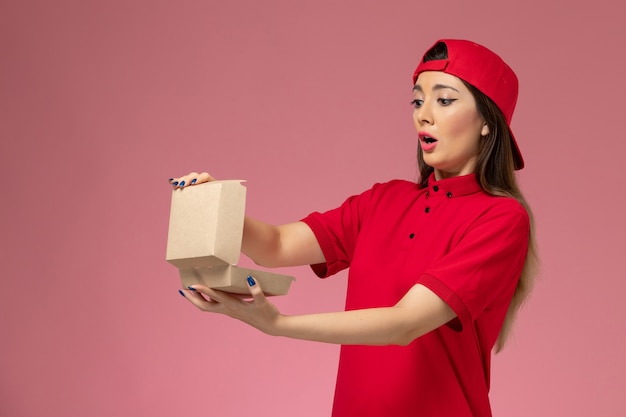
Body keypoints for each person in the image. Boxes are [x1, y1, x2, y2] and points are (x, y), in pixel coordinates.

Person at [172, 39, 539, 417]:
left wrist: (279, 324)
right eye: (417, 101)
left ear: (486, 122)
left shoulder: (501, 219)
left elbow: (404, 324)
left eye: (444, 101)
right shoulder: (383, 201)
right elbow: (277, 245)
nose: (423, 115)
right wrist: (215, 201)